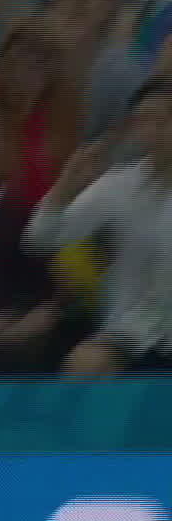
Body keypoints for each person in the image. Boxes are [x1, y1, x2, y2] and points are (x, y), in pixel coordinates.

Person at [23, 80, 172, 376]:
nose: (154, 129)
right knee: (85, 363)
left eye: (163, 119)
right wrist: (66, 187)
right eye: (145, 120)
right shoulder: (118, 185)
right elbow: (39, 240)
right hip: (130, 333)